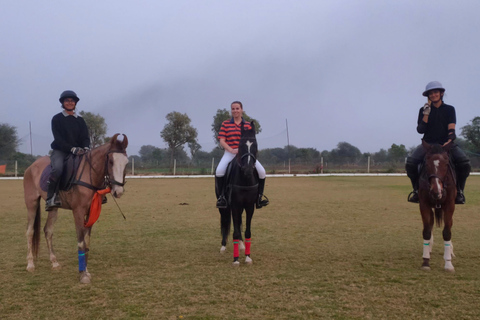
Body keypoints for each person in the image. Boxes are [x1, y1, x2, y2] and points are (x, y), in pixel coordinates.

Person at [406, 81, 471, 204]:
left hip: (445, 145)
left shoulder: (450, 109)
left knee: (464, 163)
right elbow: (420, 130)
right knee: (411, 163)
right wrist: (426, 113)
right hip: (428, 145)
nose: (433, 95)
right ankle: (416, 191)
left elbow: (451, 130)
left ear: (441, 93)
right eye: (430, 93)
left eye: (435, 92)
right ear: (428, 96)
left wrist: (450, 140)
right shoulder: (423, 110)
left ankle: (460, 191)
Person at [215, 101, 269, 209]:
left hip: (245, 155)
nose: (235, 111)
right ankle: (222, 197)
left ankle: (259, 198)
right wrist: (231, 149)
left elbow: (252, 141)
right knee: (219, 171)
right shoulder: (225, 124)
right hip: (230, 153)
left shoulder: (248, 125)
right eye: (233, 109)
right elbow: (222, 140)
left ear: (242, 110)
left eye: (237, 108)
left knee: (262, 172)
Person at [45, 90, 90, 211]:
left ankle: (98, 193)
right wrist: (71, 148)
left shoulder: (80, 120)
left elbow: (85, 137)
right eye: (67, 101)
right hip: (61, 150)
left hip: (79, 151)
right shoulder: (57, 119)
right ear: (63, 103)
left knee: (93, 165)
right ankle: (51, 197)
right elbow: (58, 139)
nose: (70, 103)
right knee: (57, 168)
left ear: (75, 103)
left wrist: (86, 147)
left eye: (72, 101)